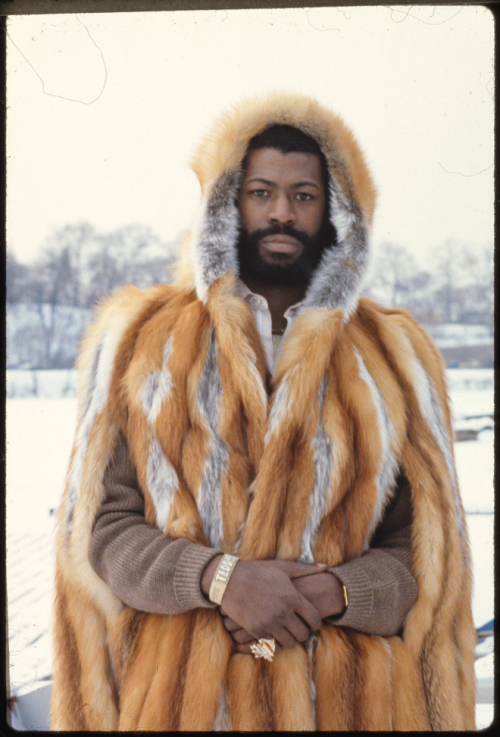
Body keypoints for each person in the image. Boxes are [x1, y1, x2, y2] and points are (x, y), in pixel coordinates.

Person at [52, 92, 476, 731]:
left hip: (346, 704)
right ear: (227, 201)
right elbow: (102, 529)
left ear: (336, 211)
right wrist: (219, 579)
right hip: (181, 706)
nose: (282, 212)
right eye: (261, 192)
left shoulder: (395, 356)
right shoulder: (139, 342)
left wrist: (337, 593)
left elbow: (424, 550)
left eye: (304, 195)